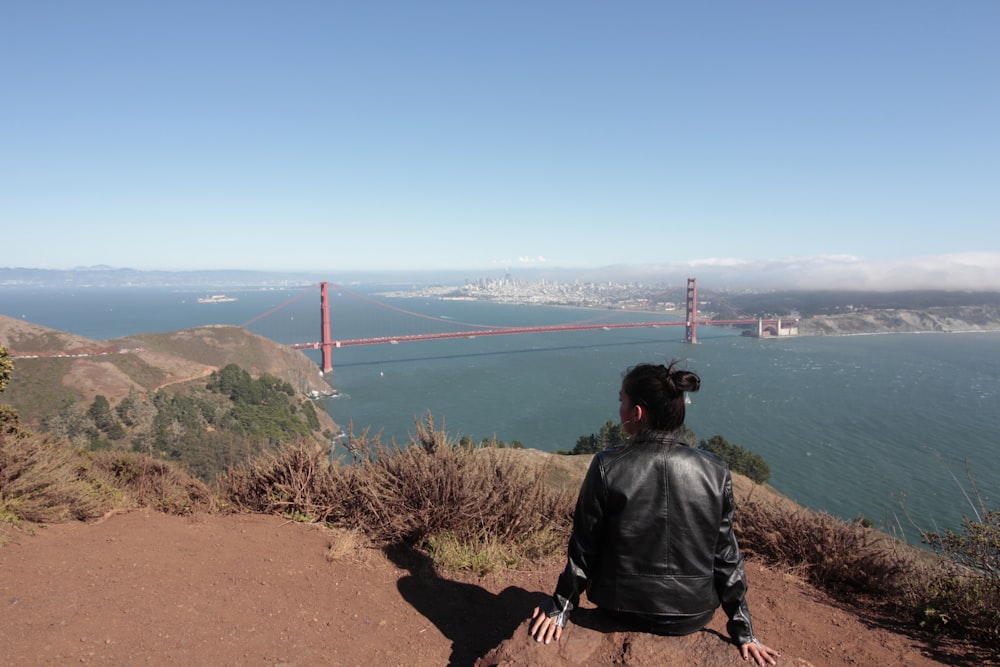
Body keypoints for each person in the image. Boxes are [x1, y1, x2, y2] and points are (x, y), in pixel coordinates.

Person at [529, 361, 779, 666]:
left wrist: (562, 605)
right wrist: (744, 631)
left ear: (637, 413)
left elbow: (584, 547)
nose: (618, 408)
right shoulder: (715, 470)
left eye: (621, 400)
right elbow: (726, 555)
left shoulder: (607, 466)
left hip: (619, 607)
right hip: (693, 614)